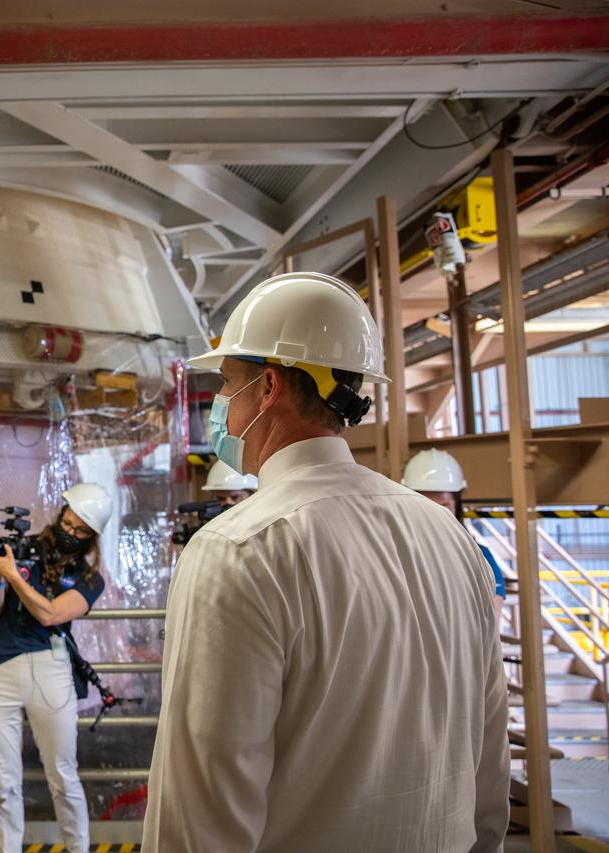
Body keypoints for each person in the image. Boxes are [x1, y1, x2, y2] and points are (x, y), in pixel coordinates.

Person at [142, 272, 509, 853]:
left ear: (268, 387)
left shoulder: (239, 550)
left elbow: (200, 813)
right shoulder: (451, 538)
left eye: (228, 382)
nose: (221, 405)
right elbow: (489, 762)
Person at [0, 482, 112, 853]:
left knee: (63, 773)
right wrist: (0, 572)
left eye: (80, 530)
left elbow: (51, 614)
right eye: (68, 523)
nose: (70, 533)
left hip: (50, 666)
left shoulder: (89, 578)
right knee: (4, 779)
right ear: (60, 514)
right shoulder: (25, 550)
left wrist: (14, 576)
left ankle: (77, 848)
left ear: (92, 536)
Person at [403, 448, 507, 620]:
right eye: (424, 506)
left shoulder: (480, 559)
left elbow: (489, 622)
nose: (434, 515)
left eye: (443, 507)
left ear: (456, 506)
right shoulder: (394, 555)